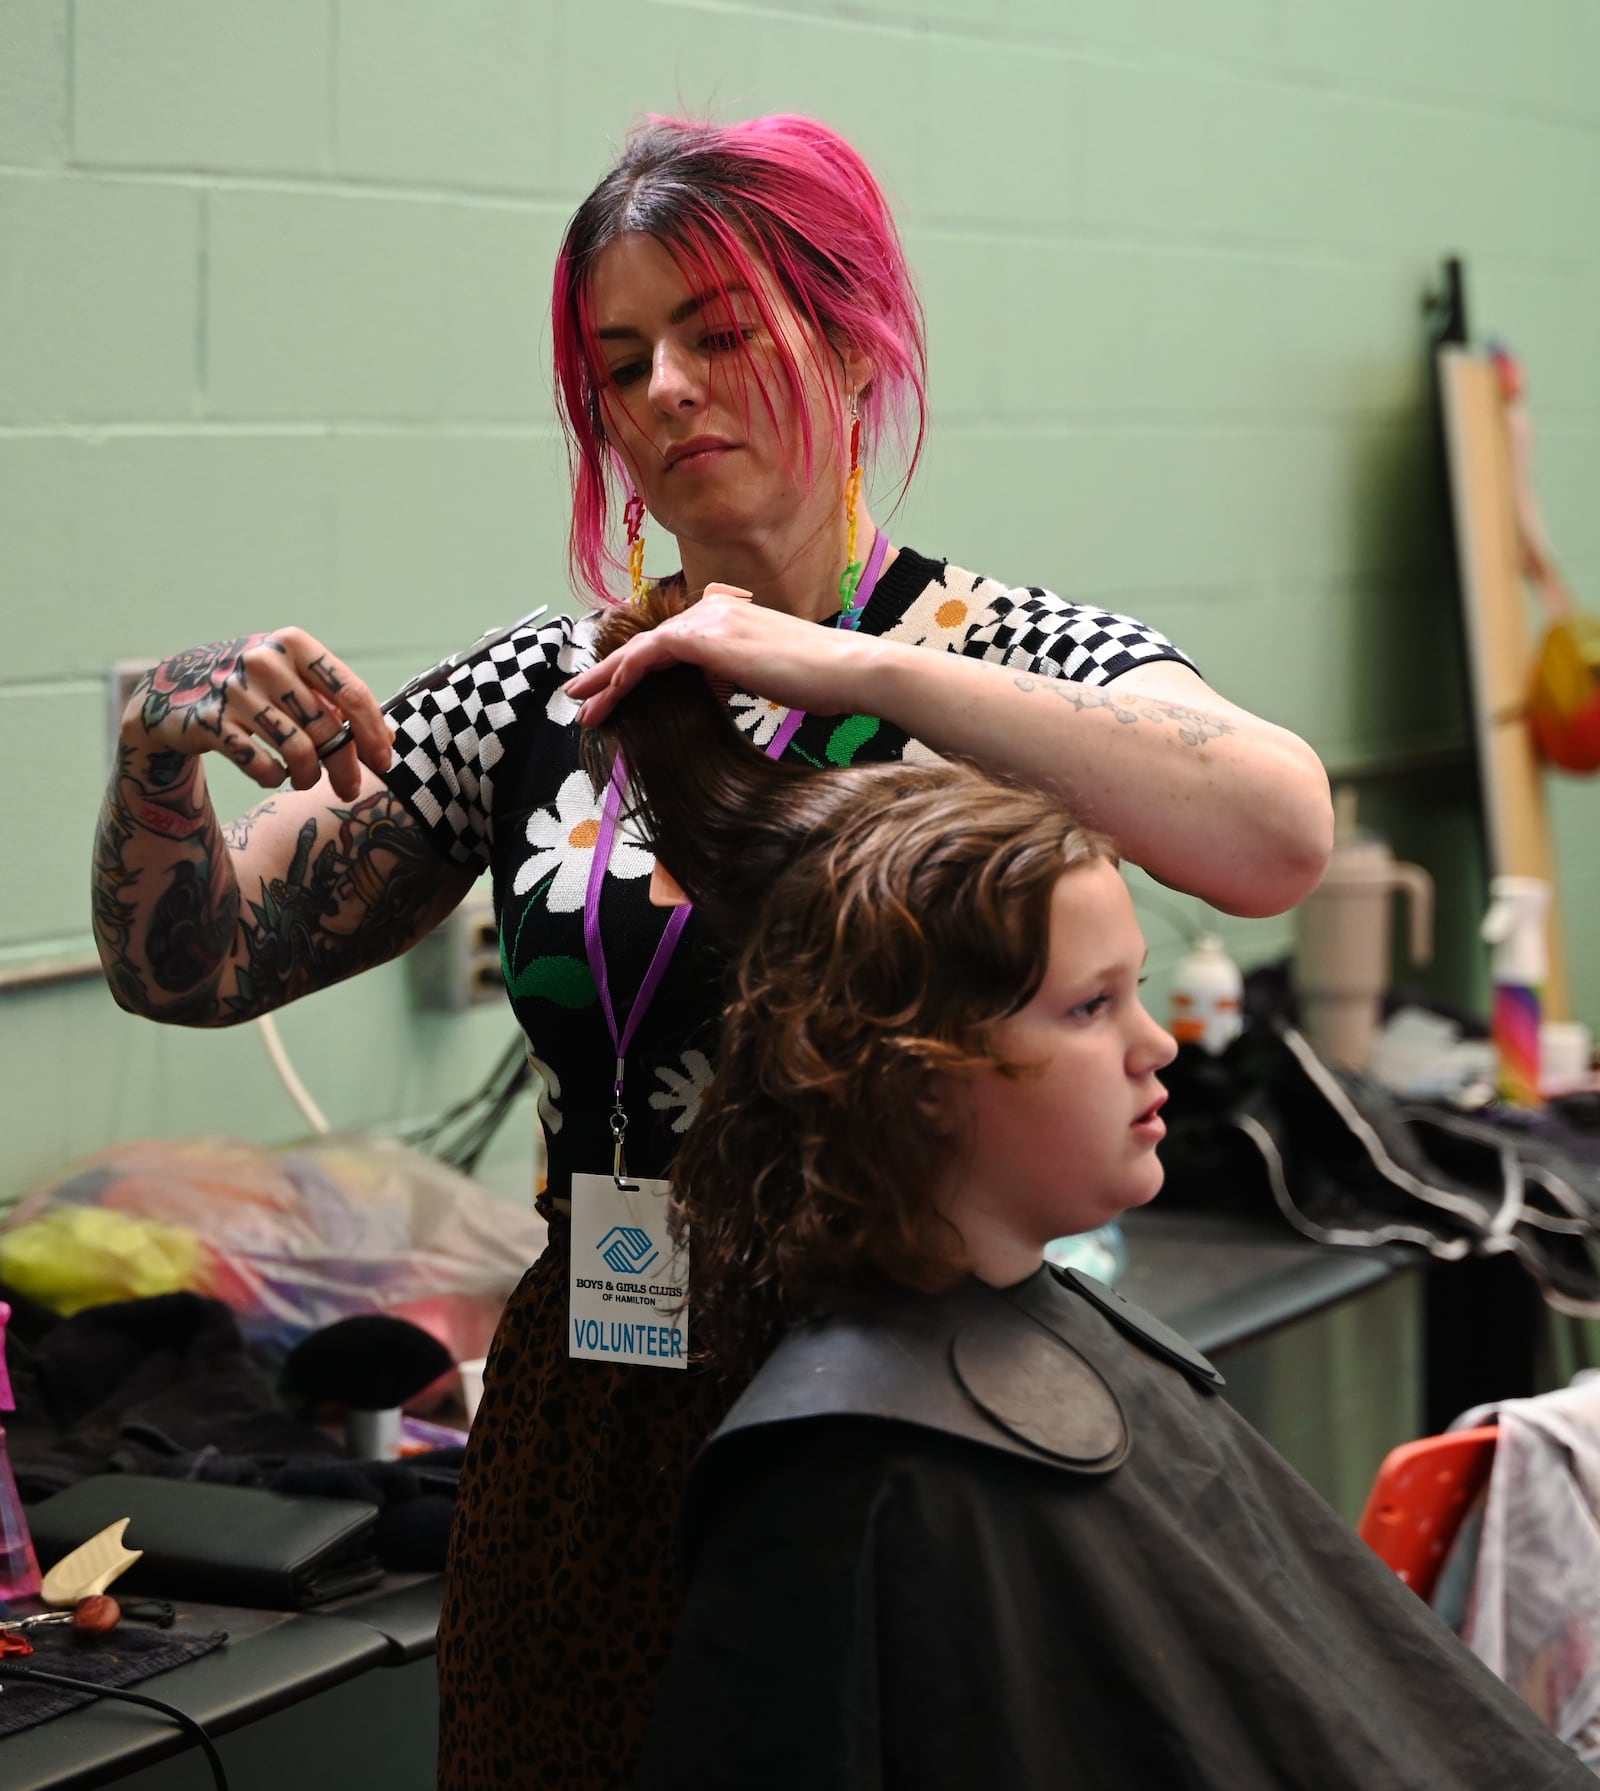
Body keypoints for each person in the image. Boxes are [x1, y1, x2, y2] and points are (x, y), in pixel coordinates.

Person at [90, 114, 1333, 1788]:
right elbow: (195, 966)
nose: (665, 387)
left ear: (850, 336)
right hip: (599, 1419)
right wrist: (158, 749)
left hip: (911, 1416)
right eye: (621, 361)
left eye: (719, 332)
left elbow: (1275, 829)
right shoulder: (552, 692)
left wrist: (861, 667)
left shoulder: (1007, 658)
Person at [587, 617, 1591, 1791]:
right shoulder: (849, 1472)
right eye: (1087, 1007)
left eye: (1137, 994)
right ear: (909, 1071)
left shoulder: (1039, 1340)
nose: (1157, 1045)